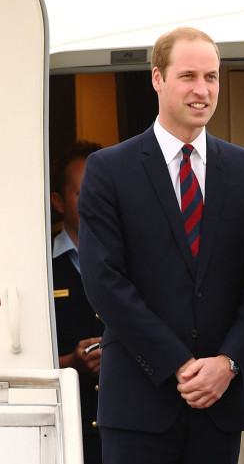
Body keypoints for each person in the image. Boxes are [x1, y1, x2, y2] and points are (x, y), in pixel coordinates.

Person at [77, 27, 244, 464]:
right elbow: (103, 281)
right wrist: (179, 365)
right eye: (188, 76)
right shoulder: (109, 170)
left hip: (219, 403)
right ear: (157, 79)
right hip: (137, 404)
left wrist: (227, 364)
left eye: (212, 77)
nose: (202, 90)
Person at [51, 139, 104, 464]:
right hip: (62, 431)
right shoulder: (37, 267)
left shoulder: (136, 262)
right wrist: (72, 361)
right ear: (59, 201)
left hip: (127, 429)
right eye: (85, 194)